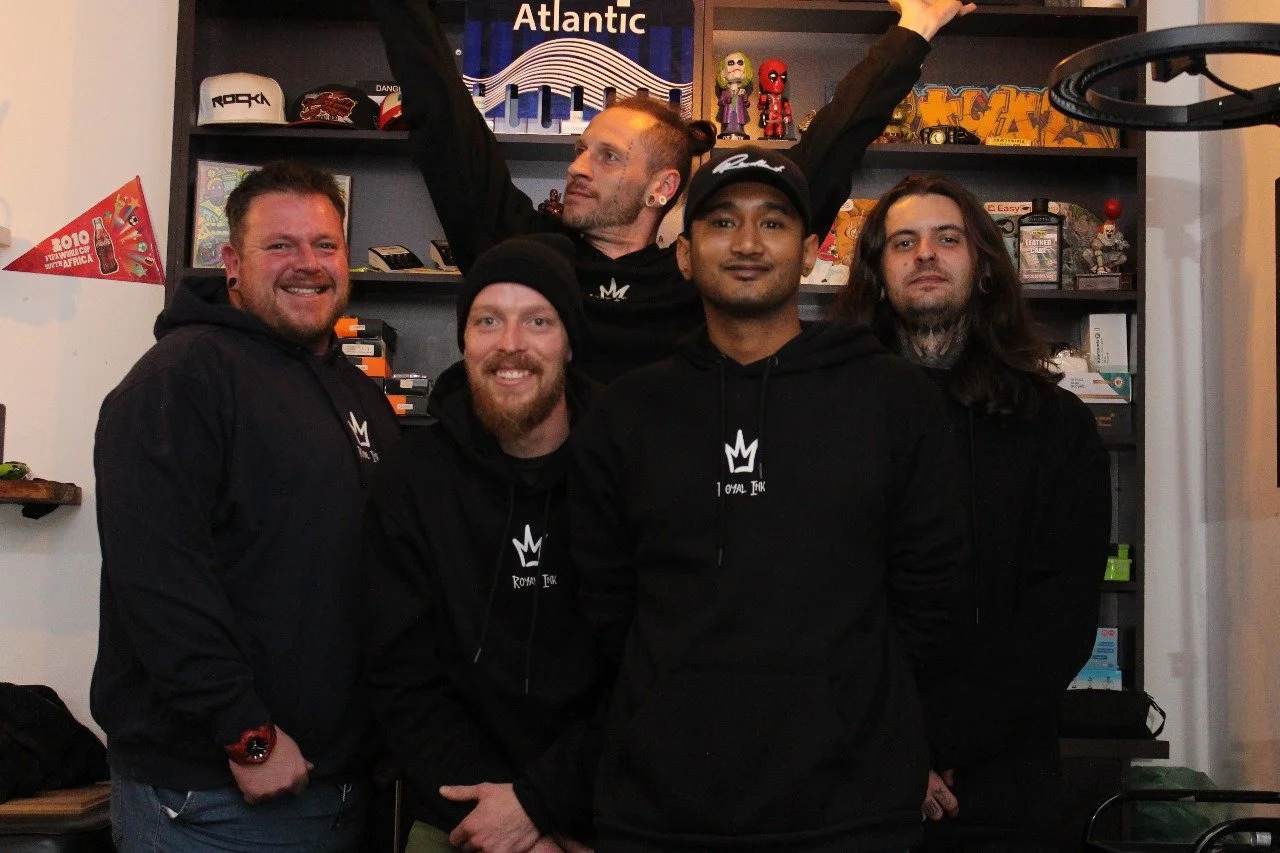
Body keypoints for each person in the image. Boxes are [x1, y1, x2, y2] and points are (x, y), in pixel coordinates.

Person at [568, 146, 968, 851]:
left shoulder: (893, 399)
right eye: (722, 222)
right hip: (659, 812)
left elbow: (930, 600)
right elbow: (607, 604)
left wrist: (857, 714)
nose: (748, 244)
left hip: (851, 809)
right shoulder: (628, 410)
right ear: (685, 255)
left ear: (812, 252)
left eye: (774, 223)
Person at [370, 0, 974, 381]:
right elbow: (446, 122)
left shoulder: (701, 272)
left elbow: (823, 157)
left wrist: (914, 29)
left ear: (663, 185)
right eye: (581, 150)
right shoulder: (524, 256)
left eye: (607, 156)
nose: (579, 167)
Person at [91, 162, 400, 851]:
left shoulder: (359, 396)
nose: (307, 265)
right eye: (280, 246)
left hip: (334, 787)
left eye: (324, 245)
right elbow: (160, 582)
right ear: (232, 262)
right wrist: (246, 734)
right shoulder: (181, 378)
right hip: (218, 797)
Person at [834, 174, 1111, 851]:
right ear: (875, 273)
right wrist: (888, 745)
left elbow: (1062, 617)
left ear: (984, 265)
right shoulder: (829, 417)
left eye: (947, 238)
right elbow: (805, 602)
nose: (925, 253)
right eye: (904, 241)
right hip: (844, 774)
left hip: (1000, 785)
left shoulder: (1057, 425)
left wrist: (932, 741)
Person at [362, 235, 604, 853]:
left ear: (570, 343)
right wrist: (507, 826)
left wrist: (542, 807)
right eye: (488, 320)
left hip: (602, 806)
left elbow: (649, 668)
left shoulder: (626, 470)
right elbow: (401, 677)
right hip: (459, 810)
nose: (511, 345)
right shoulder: (411, 478)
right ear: (464, 340)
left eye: (539, 321)